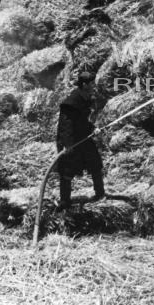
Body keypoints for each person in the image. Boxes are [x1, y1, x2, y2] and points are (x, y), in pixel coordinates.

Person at [55, 71, 105, 210]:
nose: (93, 87)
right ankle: (65, 201)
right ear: (84, 85)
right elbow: (66, 126)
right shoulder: (71, 102)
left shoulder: (85, 98)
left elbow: (82, 121)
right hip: (69, 141)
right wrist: (67, 145)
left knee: (95, 164)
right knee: (67, 171)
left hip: (83, 138)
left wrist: (93, 128)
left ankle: (100, 194)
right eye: (91, 84)